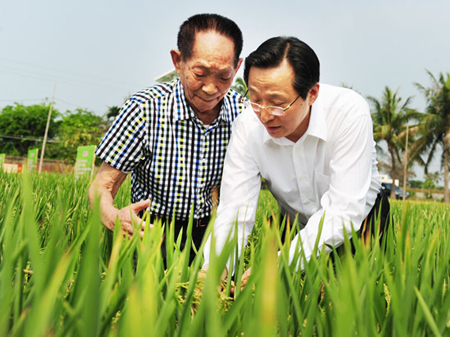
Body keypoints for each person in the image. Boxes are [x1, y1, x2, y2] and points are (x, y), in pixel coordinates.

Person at [203, 36, 390, 280]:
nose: (265, 115)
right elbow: (235, 210)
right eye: (256, 99)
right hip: (295, 224)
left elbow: (344, 209)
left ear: (312, 93)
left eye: (278, 103)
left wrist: (280, 265)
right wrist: (217, 267)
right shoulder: (247, 127)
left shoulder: (348, 112)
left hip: (362, 223)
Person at [88, 13, 244, 263]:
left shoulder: (244, 114)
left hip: (214, 235)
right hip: (150, 232)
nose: (211, 88)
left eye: (224, 77)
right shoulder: (145, 109)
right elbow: (102, 186)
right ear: (178, 61)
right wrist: (110, 213)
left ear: (237, 67)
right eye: (200, 73)